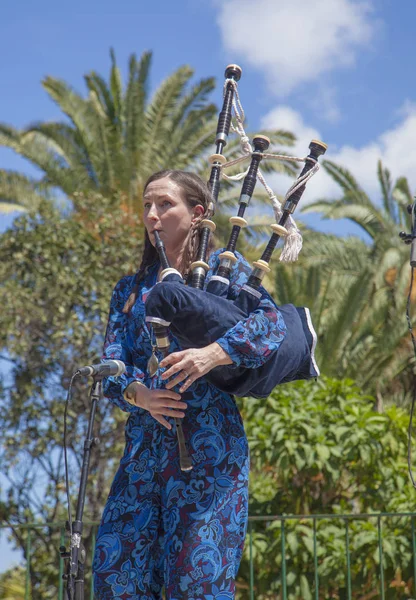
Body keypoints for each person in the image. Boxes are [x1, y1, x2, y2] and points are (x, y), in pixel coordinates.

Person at [93, 170, 287, 600]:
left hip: (210, 452)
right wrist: (137, 394)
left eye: (164, 204)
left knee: (199, 583)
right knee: (118, 577)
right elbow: (110, 364)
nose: (152, 215)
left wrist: (213, 354)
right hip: (144, 451)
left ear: (198, 214)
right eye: (147, 205)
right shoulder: (129, 290)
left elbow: (273, 325)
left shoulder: (227, 279)